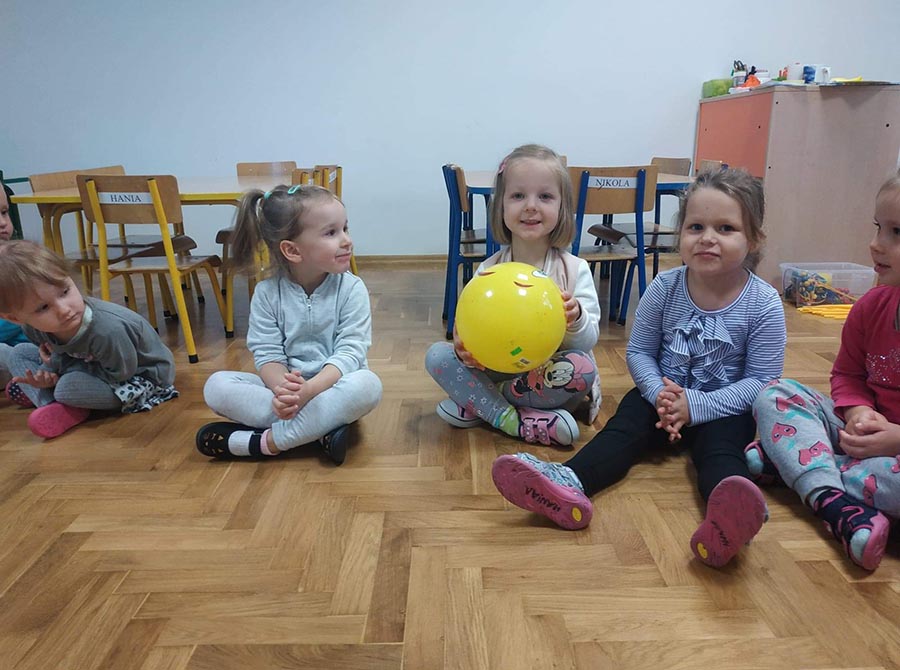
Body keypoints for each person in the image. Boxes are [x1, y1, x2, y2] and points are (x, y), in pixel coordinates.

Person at [492, 167, 787, 568]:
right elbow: (640, 352)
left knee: (721, 453)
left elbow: (762, 381)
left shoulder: (764, 303)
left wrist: (695, 406)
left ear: (753, 239)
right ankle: (568, 482)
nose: (707, 238)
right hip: (658, 398)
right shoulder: (664, 287)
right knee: (622, 431)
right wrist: (659, 394)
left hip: (723, 409)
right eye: (695, 227)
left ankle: (729, 519)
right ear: (680, 233)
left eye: (726, 228)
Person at [749, 171, 900, 571]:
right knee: (776, 394)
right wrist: (858, 411)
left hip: (891, 456)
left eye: (896, 232)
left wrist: (895, 439)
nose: (876, 243)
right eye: (878, 227)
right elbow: (848, 375)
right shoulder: (871, 306)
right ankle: (832, 498)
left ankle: (799, 464)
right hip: (858, 435)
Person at [425, 144, 600, 448]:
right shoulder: (488, 272)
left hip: (548, 380)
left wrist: (576, 319)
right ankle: (513, 419)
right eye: (518, 196)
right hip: (497, 369)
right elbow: (468, 329)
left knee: (582, 368)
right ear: (501, 207)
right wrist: (464, 349)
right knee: (437, 356)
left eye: (545, 196)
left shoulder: (575, 270)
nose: (530, 206)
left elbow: (587, 342)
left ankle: (481, 403)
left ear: (562, 208)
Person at [197, 184, 382, 465]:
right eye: (331, 233)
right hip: (286, 393)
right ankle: (318, 431)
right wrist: (286, 393)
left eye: (345, 228)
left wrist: (310, 391)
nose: (346, 240)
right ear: (292, 250)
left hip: (333, 387)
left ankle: (265, 443)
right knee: (216, 386)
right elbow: (268, 354)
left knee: (368, 385)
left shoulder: (351, 289)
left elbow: (350, 353)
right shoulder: (266, 294)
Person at [0, 240, 178, 439]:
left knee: (67, 386)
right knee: (19, 354)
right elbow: (56, 354)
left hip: (140, 377)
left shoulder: (107, 330)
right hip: (83, 366)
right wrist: (47, 371)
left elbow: (121, 373)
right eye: (43, 308)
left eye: (65, 292)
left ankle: (59, 401)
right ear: (15, 318)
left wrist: (55, 372)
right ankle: (52, 406)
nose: (64, 310)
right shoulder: (32, 327)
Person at [0, 188, 28, 390]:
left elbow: (21, 319)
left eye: (4, 212)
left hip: (30, 350)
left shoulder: (17, 262)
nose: (3, 223)